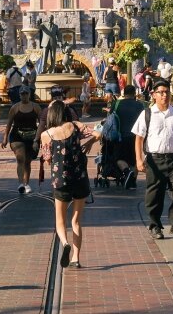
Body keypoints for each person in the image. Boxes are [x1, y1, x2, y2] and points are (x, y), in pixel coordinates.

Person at [40, 100, 100, 269]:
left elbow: (47, 158)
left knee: (60, 220)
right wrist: (88, 143)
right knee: (76, 221)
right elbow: (98, 133)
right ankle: (76, 257)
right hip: (80, 178)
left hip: (61, 181)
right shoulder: (75, 126)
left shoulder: (47, 134)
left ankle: (65, 242)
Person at [132, 78, 173, 241]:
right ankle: (155, 226)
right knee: (154, 195)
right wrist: (139, 160)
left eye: (166, 92)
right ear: (153, 95)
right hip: (155, 160)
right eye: (160, 92)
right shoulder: (147, 113)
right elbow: (138, 139)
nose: (164, 95)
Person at [1, 85, 40, 193]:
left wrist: (39, 138)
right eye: (22, 94)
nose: (24, 96)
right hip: (17, 135)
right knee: (20, 158)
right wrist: (5, 138)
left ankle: (26, 183)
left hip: (32, 136)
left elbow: (42, 123)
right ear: (19, 95)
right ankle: (21, 184)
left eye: (26, 93)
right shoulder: (15, 108)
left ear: (29, 94)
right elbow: (9, 124)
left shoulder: (36, 107)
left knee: (27, 161)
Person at [107, 85, 144, 189]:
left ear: (124, 93)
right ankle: (133, 181)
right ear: (134, 94)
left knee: (119, 158)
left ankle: (126, 172)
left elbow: (110, 117)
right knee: (134, 159)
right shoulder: (140, 105)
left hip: (120, 136)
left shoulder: (117, 103)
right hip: (136, 136)